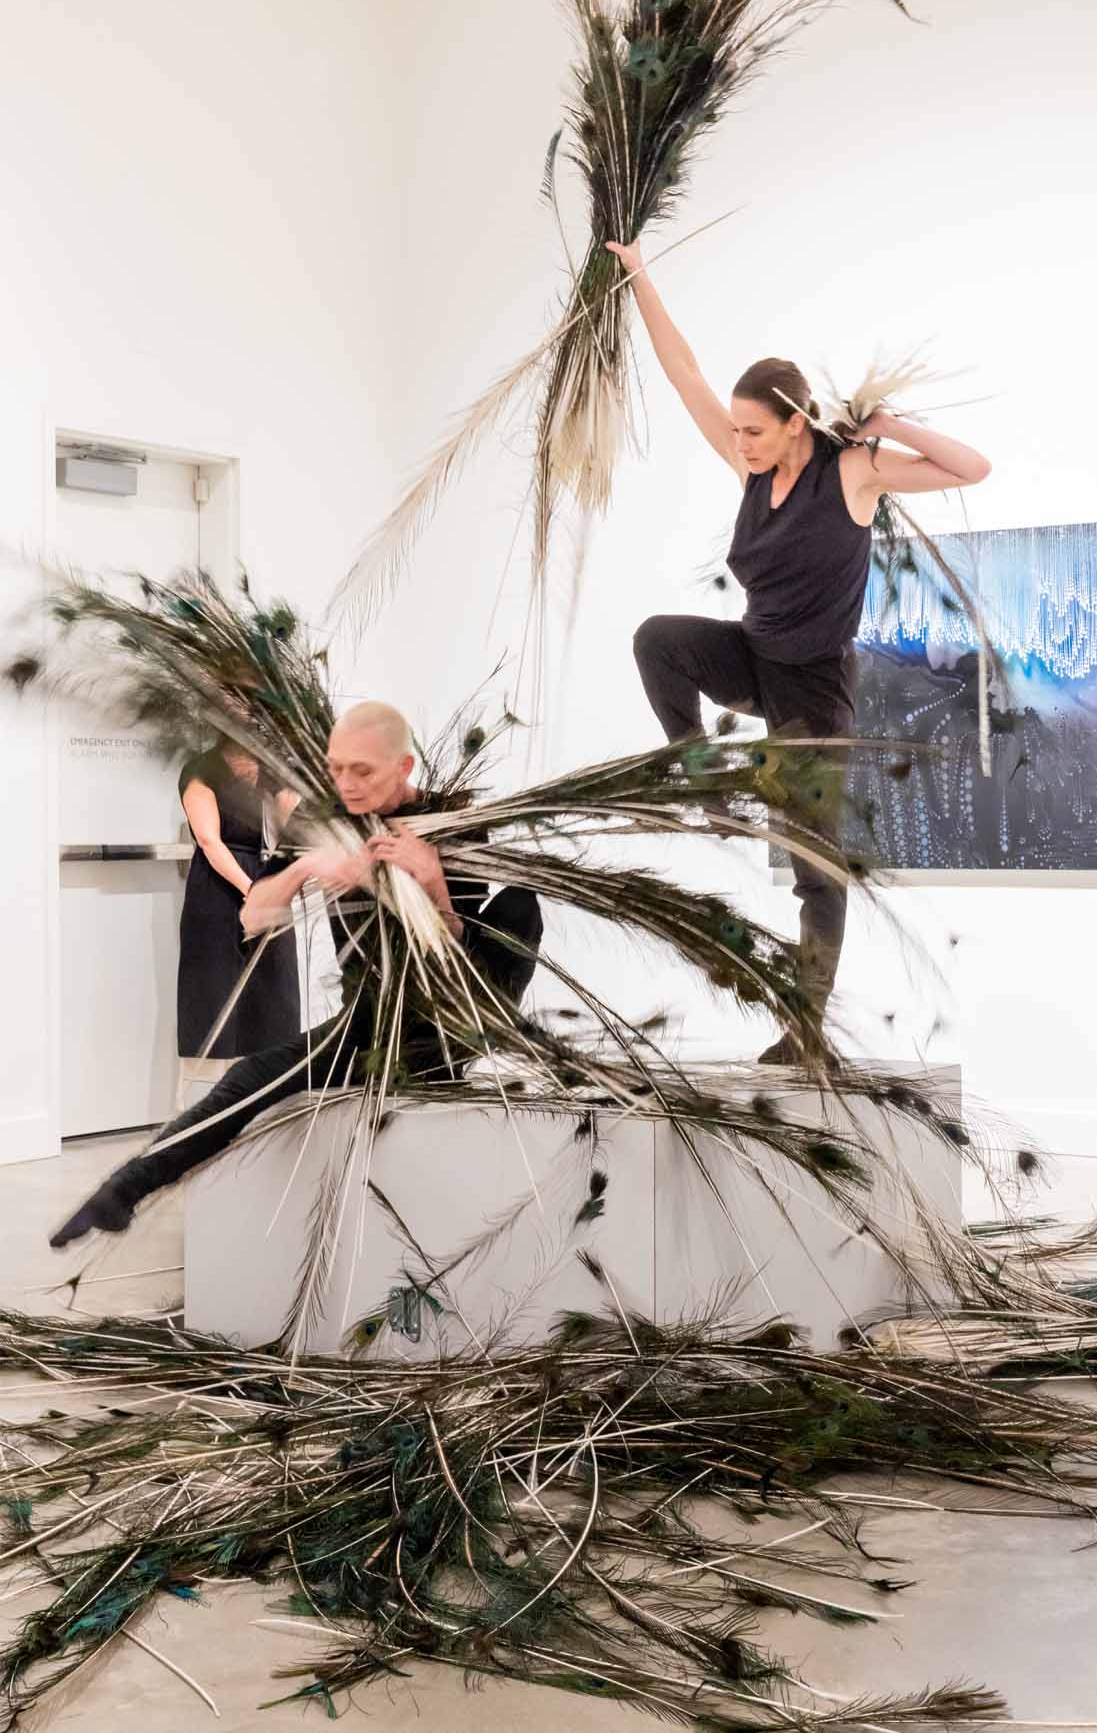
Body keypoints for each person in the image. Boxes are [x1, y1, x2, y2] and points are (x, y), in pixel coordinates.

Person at [606, 237, 991, 1056]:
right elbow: (684, 373)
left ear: (792, 423)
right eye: (737, 430)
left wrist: (889, 424)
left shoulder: (853, 472)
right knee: (657, 641)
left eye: (754, 430)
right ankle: (703, 775)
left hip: (815, 687)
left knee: (815, 864)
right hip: (753, 657)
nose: (739, 441)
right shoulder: (750, 468)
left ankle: (804, 1025)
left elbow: (973, 467)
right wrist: (638, 270)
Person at [51, 702, 543, 1247]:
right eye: (338, 769)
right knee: (246, 1081)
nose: (347, 785)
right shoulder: (324, 826)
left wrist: (431, 882)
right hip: (369, 1025)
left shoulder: (451, 829)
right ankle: (122, 1191)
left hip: (454, 1021)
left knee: (521, 906)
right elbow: (254, 913)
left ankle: (443, 1069)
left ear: (403, 768)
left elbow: (456, 967)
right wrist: (309, 867)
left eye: (364, 771)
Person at [176, 740, 301, 1106]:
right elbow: (209, 841)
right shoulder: (201, 768)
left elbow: (287, 831)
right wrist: (253, 890)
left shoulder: (274, 768)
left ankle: (271, 1108)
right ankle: (201, 1113)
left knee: (276, 999)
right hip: (218, 890)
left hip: (268, 883)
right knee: (212, 998)